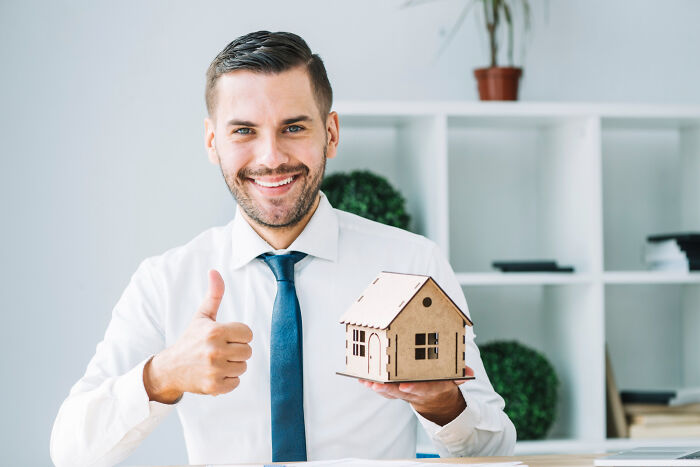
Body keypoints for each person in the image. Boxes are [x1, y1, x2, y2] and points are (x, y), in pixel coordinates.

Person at [50, 31, 516, 467]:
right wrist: (162, 376)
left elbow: (495, 447)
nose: (271, 157)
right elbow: (71, 449)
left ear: (330, 133)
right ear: (213, 141)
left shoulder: (413, 265)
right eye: (243, 131)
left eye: (293, 128)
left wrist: (442, 404)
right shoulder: (165, 281)